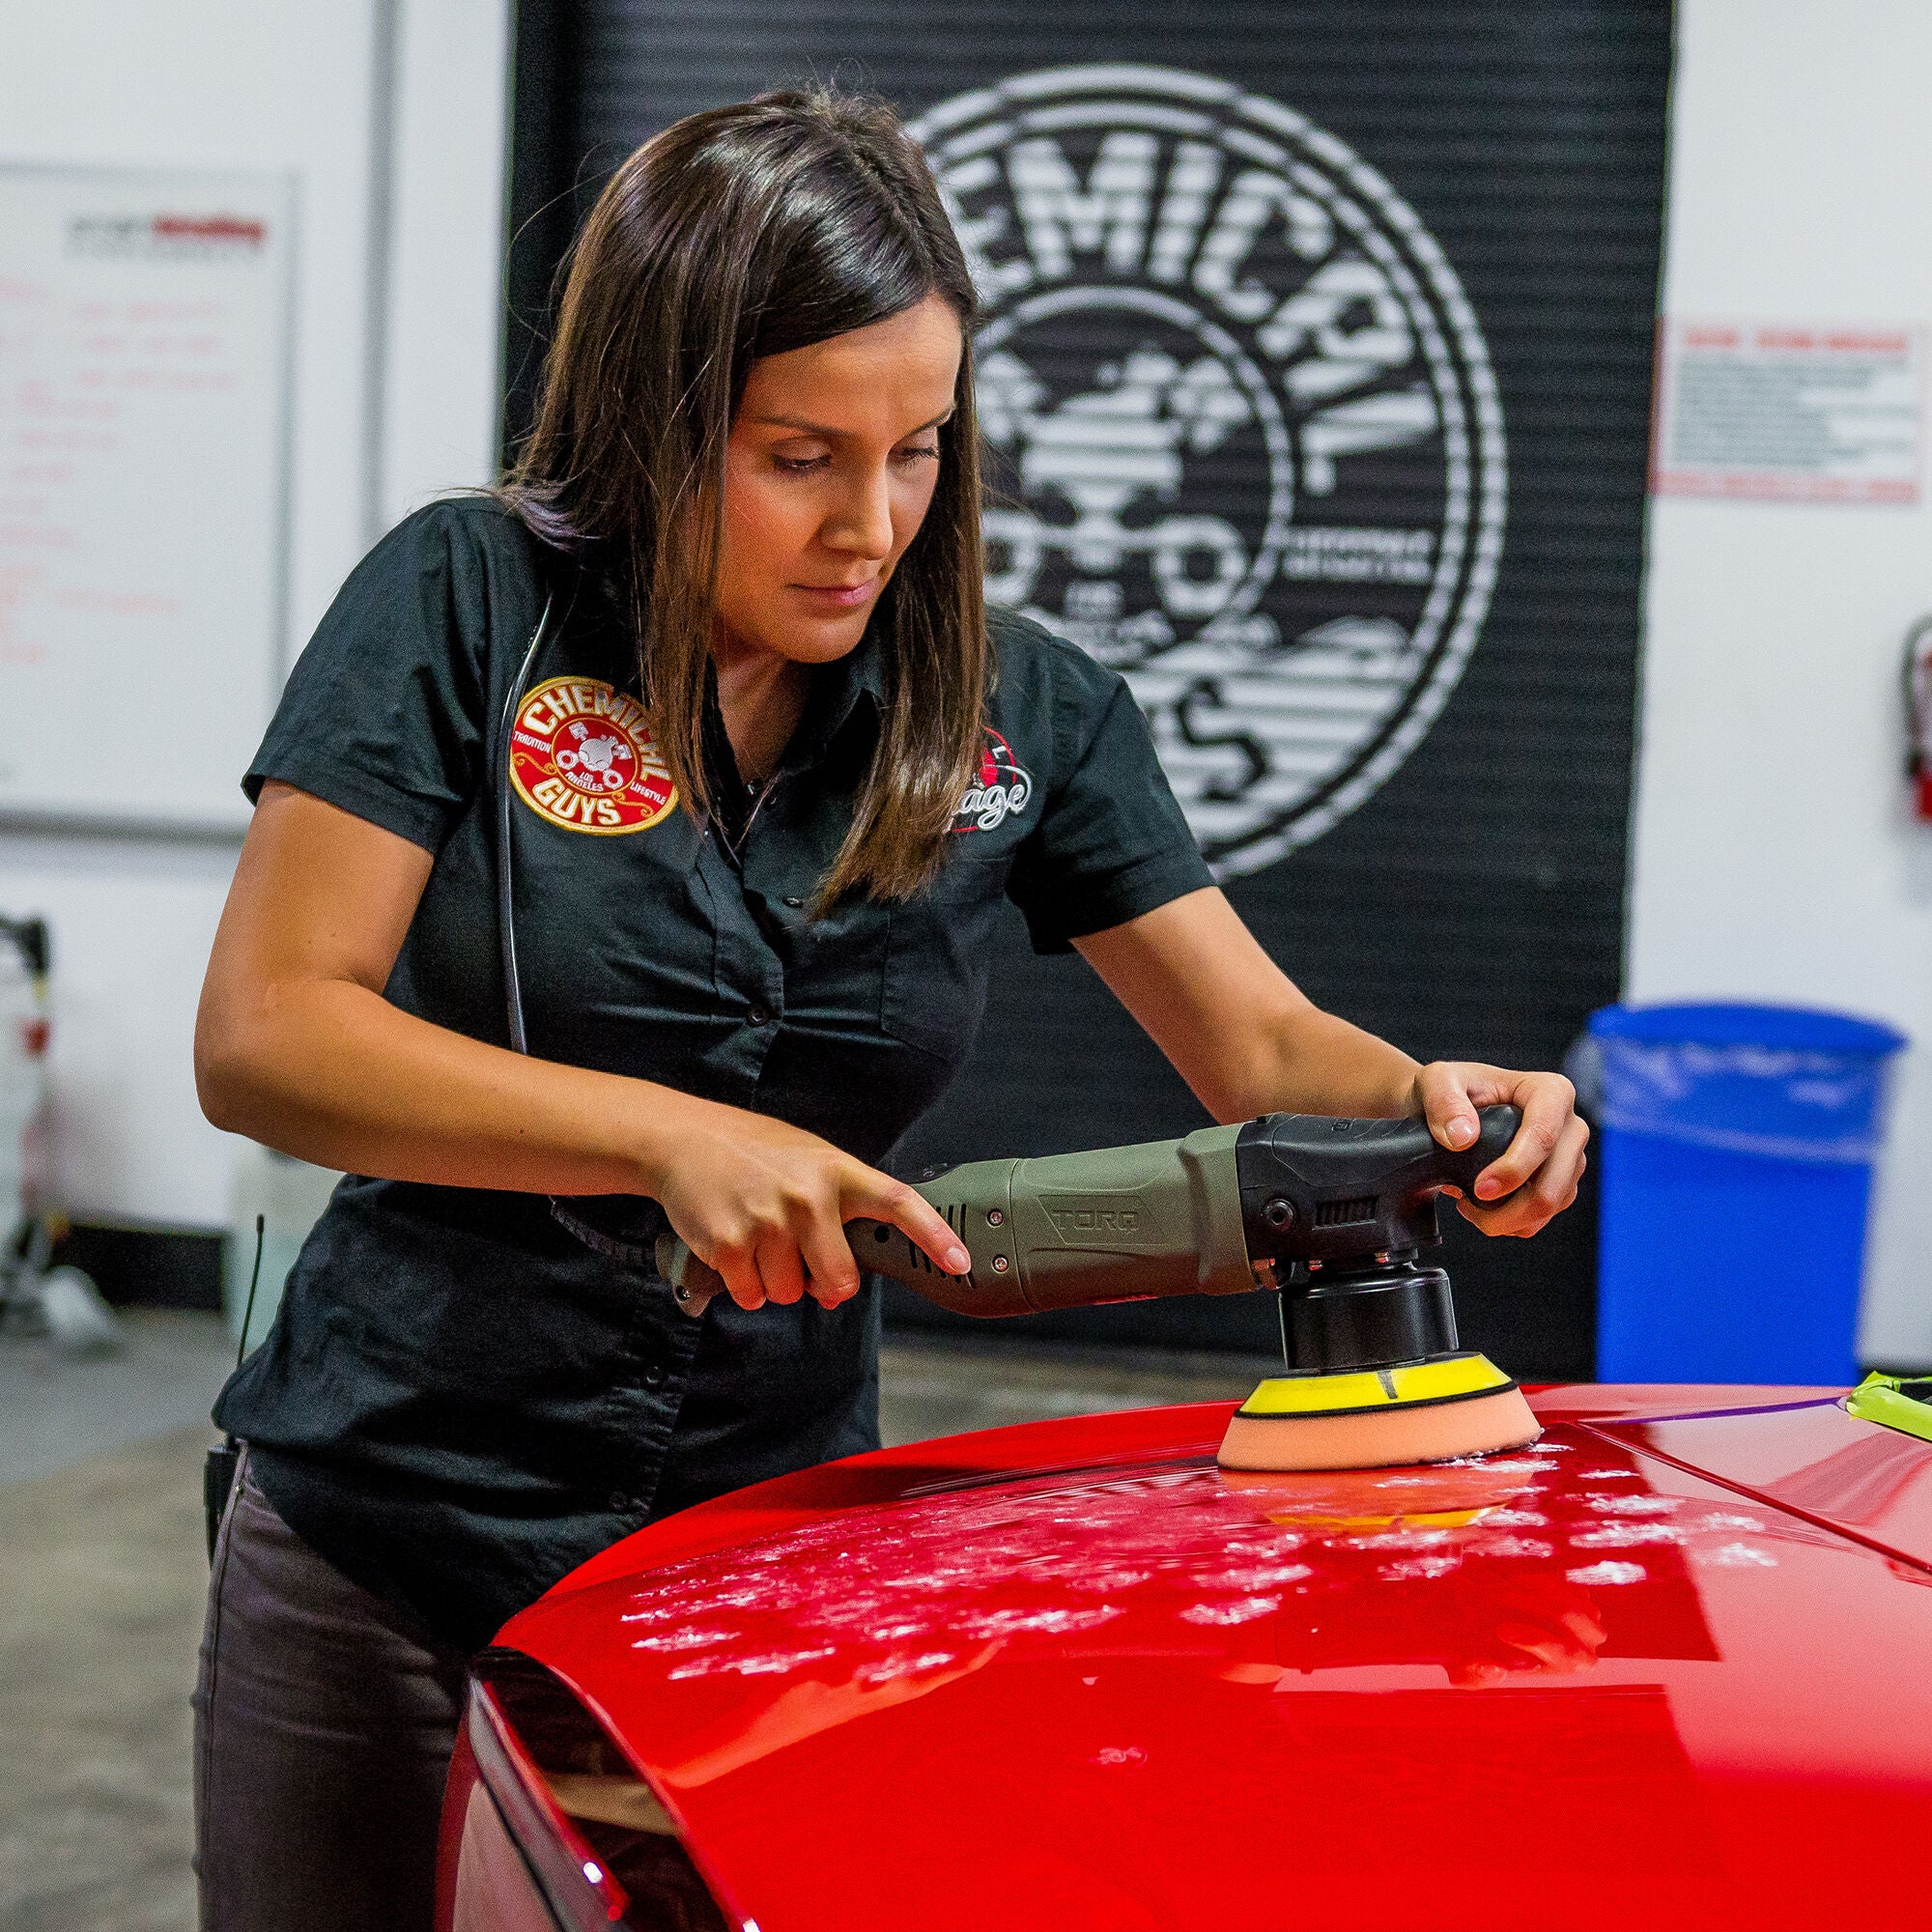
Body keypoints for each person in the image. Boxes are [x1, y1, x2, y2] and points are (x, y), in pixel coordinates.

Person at [188, 87, 1587, 1932]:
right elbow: (269, 1032)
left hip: (763, 1550)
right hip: (388, 1530)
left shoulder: (1026, 711)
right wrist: (667, 1137)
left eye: (918, 450)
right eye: (799, 457)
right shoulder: (462, 602)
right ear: (653, 420)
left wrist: (1444, 1104)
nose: (872, 525)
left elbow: (1259, 1052)